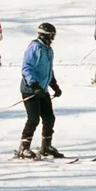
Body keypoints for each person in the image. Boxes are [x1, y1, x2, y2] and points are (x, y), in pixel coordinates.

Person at [17, 22, 63, 159]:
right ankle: (23, 148)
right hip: (30, 89)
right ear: (46, 36)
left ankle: (46, 147)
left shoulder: (48, 50)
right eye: (52, 36)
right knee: (33, 119)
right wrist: (34, 85)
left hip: (42, 90)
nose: (53, 39)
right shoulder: (34, 47)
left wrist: (54, 85)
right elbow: (26, 68)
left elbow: (48, 69)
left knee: (49, 118)